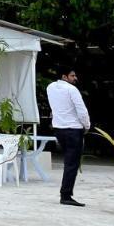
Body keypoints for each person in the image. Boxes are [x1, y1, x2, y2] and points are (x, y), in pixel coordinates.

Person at [47, 69, 90, 206]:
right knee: (72, 164)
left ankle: (65, 194)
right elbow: (82, 110)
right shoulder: (72, 90)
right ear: (64, 76)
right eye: (72, 75)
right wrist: (87, 126)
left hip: (59, 128)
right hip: (73, 130)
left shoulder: (50, 87)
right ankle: (65, 195)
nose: (75, 78)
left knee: (69, 162)